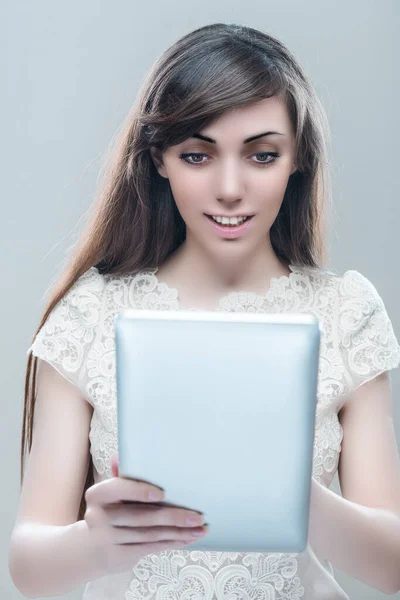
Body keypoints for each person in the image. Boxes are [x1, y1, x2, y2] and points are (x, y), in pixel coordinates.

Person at [8, 22, 400, 600]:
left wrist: (291, 493)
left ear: (297, 160)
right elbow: (28, 568)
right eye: (197, 155)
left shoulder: (346, 311)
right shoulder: (91, 313)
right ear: (159, 159)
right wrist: (97, 541)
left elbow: (392, 569)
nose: (230, 188)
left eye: (262, 155)